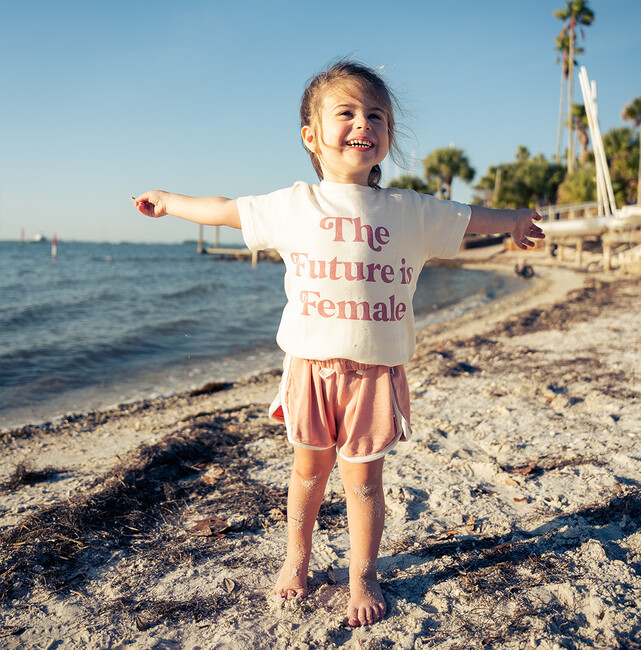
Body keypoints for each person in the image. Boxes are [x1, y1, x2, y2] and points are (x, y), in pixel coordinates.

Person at [133, 59, 545, 627]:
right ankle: (295, 562)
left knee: (363, 483)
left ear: (388, 136)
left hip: (376, 373)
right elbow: (226, 211)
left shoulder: (410, 211)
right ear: (312, 136)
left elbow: (472, 217)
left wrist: (516, 219)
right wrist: (171, 199)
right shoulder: (293, 205)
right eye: (346, 112)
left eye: (376, 115)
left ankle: (363, 573)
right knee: (307, 474)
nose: (363, 123)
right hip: (308, 368)